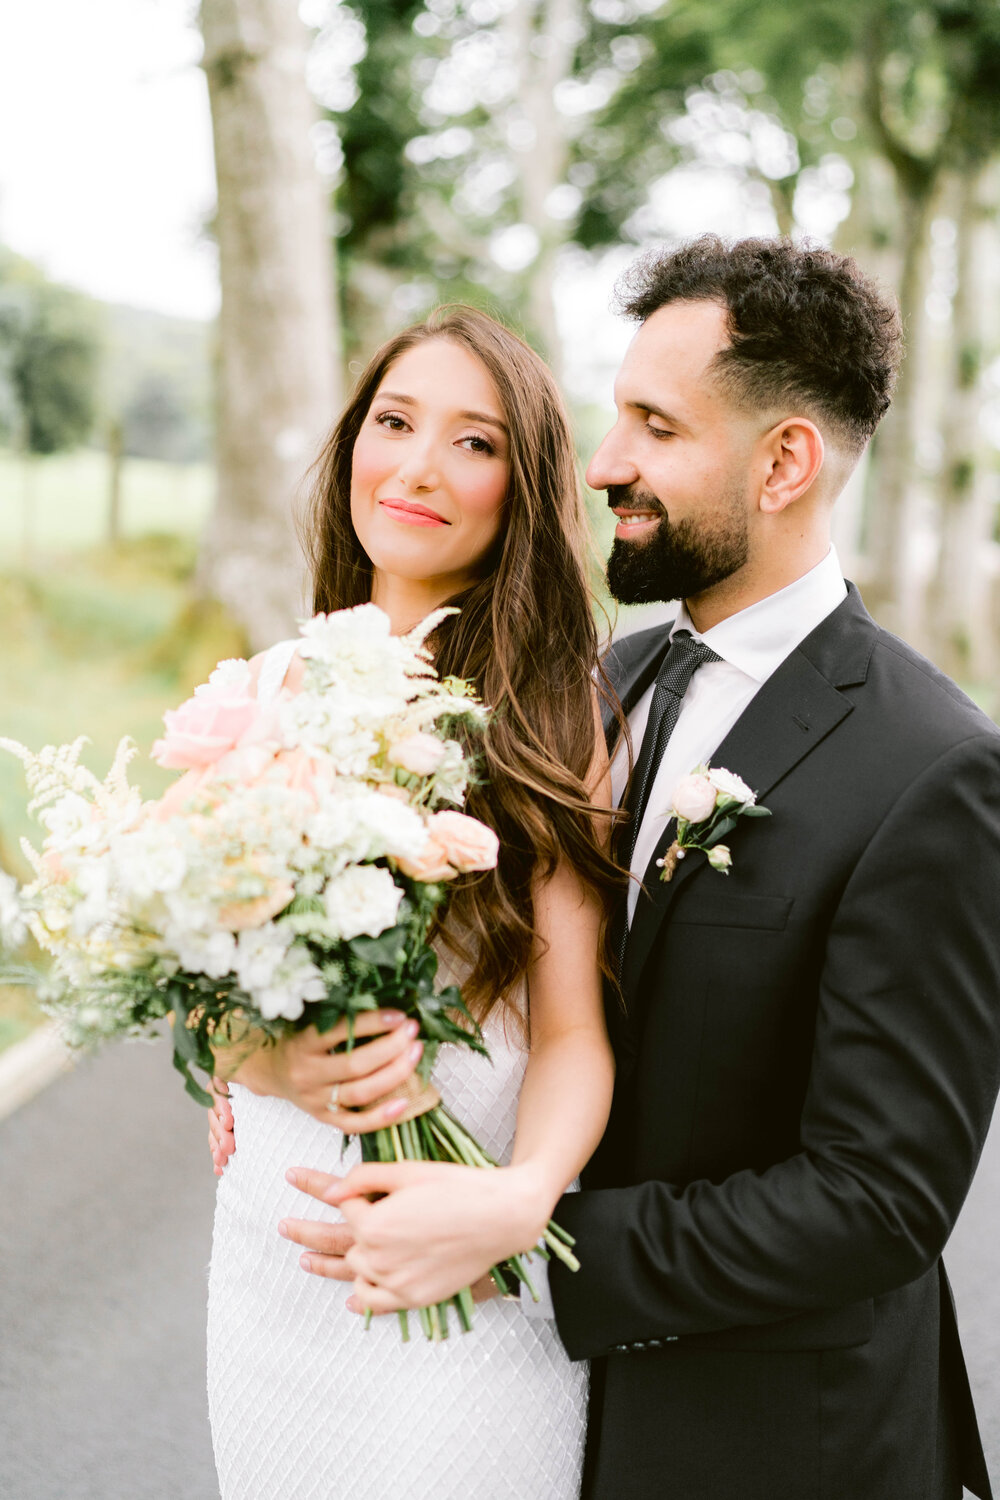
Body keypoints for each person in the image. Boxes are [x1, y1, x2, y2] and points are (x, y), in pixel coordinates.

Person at [294, 238, 1000, 1500]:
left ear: (783, 462)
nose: (605, 460)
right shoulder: (607, 688)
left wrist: (529, 1237)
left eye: (653, 425)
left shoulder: (932, 768)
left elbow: (881, 1200)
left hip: (772, 1447)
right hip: (537, 1415)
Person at [204, 305, 621, 1500]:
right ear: (350, 446)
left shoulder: (553, 714)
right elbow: (209, 998)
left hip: (465, 1270)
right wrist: (265, 1067)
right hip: (277, 1261)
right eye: (394, 421)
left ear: (522, 487)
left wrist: (517, 1198)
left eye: (475, 443)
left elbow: (576, 1036)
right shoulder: (265, 689)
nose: (419, 467)